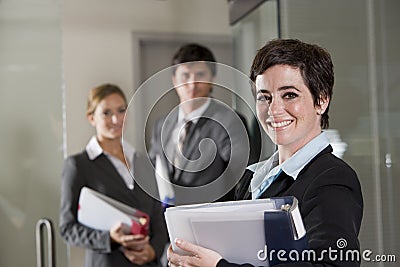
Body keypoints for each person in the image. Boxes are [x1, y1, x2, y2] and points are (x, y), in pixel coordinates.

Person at [167, 39, 363, 266]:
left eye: (289, 95)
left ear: (321, 100)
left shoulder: (332, 179)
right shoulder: (253, 178)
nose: (273, 110)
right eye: (264, 97)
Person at [59, 83, 168, 267]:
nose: (116, 119)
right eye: (106, 113)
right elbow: (67, 229)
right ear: (91, 117)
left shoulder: (143, 162)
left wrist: (153, 251)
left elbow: (159, 219)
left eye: (121, 110)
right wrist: (108, 238)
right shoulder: (79, 165)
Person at [148, 43, 251, 205]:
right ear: (174, 80)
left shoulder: (230, 121)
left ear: (213, 79)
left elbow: (240, 178)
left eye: (200, 74)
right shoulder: (162, 125)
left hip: (211, 219)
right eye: (185, 75)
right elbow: (154, 173)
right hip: (168, 221)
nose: (192, 83)